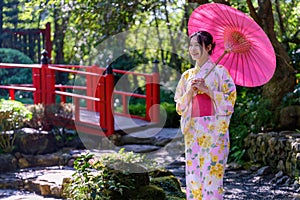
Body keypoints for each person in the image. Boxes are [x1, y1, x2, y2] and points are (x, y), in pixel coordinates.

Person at [174, 31, 236, 200]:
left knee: (213, 177)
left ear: (208, 47)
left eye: (198, 45)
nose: (193, 49)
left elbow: (230, 101)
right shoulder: (187, 76)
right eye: (191, 45)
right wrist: (189, 91)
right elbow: (180, 106)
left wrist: (207, 91)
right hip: (193, 130)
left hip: (214, 130)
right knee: (193, 176)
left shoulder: (221, 72)